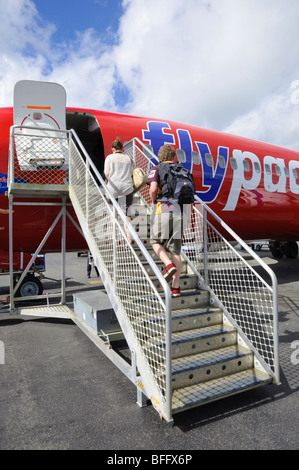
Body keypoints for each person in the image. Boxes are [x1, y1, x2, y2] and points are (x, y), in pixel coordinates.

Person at [147, 144, 187, 297]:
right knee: (175, 250)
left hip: (163, 210)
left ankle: (168, 265)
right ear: (173, 156)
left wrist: (153, 201)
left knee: (155, 242)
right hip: (179, 212)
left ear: (161, 156)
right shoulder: (181, 169)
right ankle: (176, 288)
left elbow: (152, 189)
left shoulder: (157, 168)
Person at [104, 137, 135, 243]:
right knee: (127, 215)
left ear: (113, 149)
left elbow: (107, 173)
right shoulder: (129, 158)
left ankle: (117, 237)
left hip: (113, 188)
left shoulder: (109, 158)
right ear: (122, 148)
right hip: (127, 189)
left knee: (113, 214)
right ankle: (129, 238)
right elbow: (133, 172)